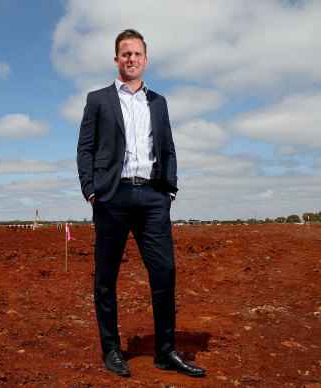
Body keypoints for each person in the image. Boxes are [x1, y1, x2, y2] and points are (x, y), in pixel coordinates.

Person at [77, 29, 205, 378]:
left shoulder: (158, 102)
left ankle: (165, 351)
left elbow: (168, 149)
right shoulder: (98, 99)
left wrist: (170, 191)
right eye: (125, 53)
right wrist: (92, 192)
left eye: (137, 54)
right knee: (107, 278)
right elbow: (85, 149)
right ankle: (112, 349)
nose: (131, 59)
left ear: (145, 59)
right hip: (112, 195)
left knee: (165, 273)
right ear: (116, 59)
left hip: (152, 197)